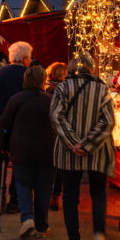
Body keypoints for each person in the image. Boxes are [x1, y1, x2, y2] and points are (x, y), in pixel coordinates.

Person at [50, 53, 115, 240]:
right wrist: (87, 144)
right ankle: (98, 234)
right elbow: (108, 121)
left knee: (70, 194)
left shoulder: (62, 88)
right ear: (91, 68)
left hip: (70, 153)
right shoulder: (102, 88)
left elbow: (56, 116)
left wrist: (73, 142)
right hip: (97, 151)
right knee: (98, 193)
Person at [0, 41, 40, 213]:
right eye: (29, 57)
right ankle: (15, 197)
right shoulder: (28, 75)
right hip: (21, 125)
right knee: (18, 162)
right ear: (24, 58)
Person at [0, 65, 55, 239]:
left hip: (21, 148)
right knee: (43, 189)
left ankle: (27, 218)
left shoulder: (16, 99)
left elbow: (5, 125)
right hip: (46, 150)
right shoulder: (50, 100)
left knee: (23, 184)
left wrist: (4, 146)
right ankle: (42, 225)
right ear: (43, 81)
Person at [45, 62, 68, 210]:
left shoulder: (45, 88)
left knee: (47, 166)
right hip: (59, 131)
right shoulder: (66, 90)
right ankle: (55, 197)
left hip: (46, 130)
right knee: (58, 167)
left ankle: (46, 194)